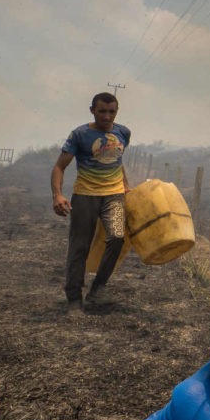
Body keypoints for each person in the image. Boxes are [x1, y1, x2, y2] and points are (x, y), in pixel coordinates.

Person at [51, 92, 133, 316]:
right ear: (92, 111)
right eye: (102, 111)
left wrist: (125, 184)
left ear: (117, 111)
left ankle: (98, 289)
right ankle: (74, 298)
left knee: (117, 237)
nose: (107, 116)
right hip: (86, 196)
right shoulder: (80, 135)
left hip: (114, 196)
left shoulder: (123, 132)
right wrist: (57, 195)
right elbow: (59, 167)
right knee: (80, 246)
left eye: (112, 112)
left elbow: (117, 159)